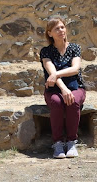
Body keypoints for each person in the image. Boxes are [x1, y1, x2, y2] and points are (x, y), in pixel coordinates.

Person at [39, 16, 86, 158]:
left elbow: (75, 69)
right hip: (54, 89)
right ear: (50, 33)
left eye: (62, 27)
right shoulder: (45, 51)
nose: (61, 30)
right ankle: (58, 143)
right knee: (57, 102)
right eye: (56, 29)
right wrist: (64, 88)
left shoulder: (74, 48)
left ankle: (71, 141)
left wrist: (55, 75)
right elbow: (50, 71)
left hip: (76, 87)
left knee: (73, 100)